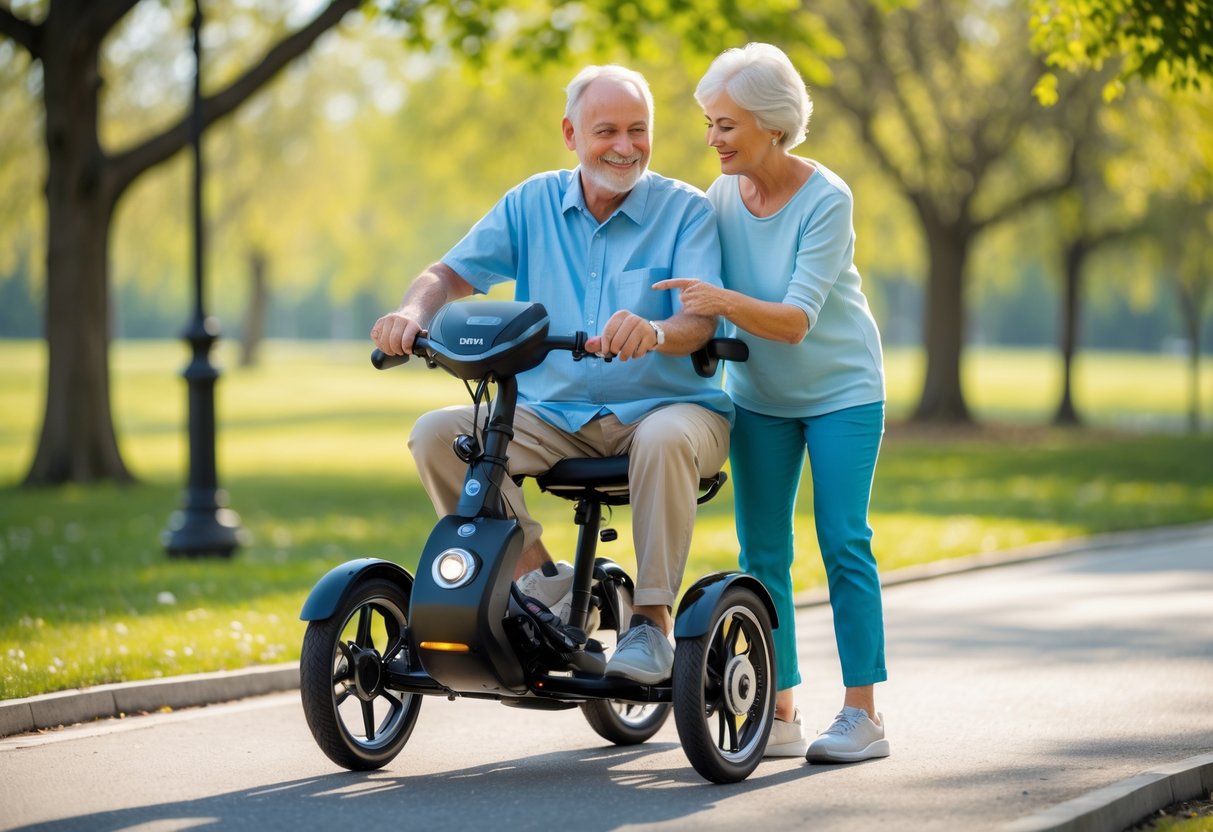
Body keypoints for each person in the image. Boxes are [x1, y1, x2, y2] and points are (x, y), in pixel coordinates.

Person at [371, 64, 733, 686]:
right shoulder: (531, 203)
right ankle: (542, 581)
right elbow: (447, 274)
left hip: (668, 410)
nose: (625, 146)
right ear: (571, 133)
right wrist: (412, 313)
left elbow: (699, 323)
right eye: (607, 130)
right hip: (552, 415)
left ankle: (651, 621)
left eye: (638, 130)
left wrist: (655, 333)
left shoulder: (687, 212)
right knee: (436, 432)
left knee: (665, 436)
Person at [654, 43, 890, 763]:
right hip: (758, 394)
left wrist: (720, 301)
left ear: (771, 124)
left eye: (726, 124)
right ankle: (780, 710)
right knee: (762, 552)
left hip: (842, 390)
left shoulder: (827, 199)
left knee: (843, 541)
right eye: (709, 123)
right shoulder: (720, 196)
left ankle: (862, 715)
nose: (712, 138)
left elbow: (794, 320)